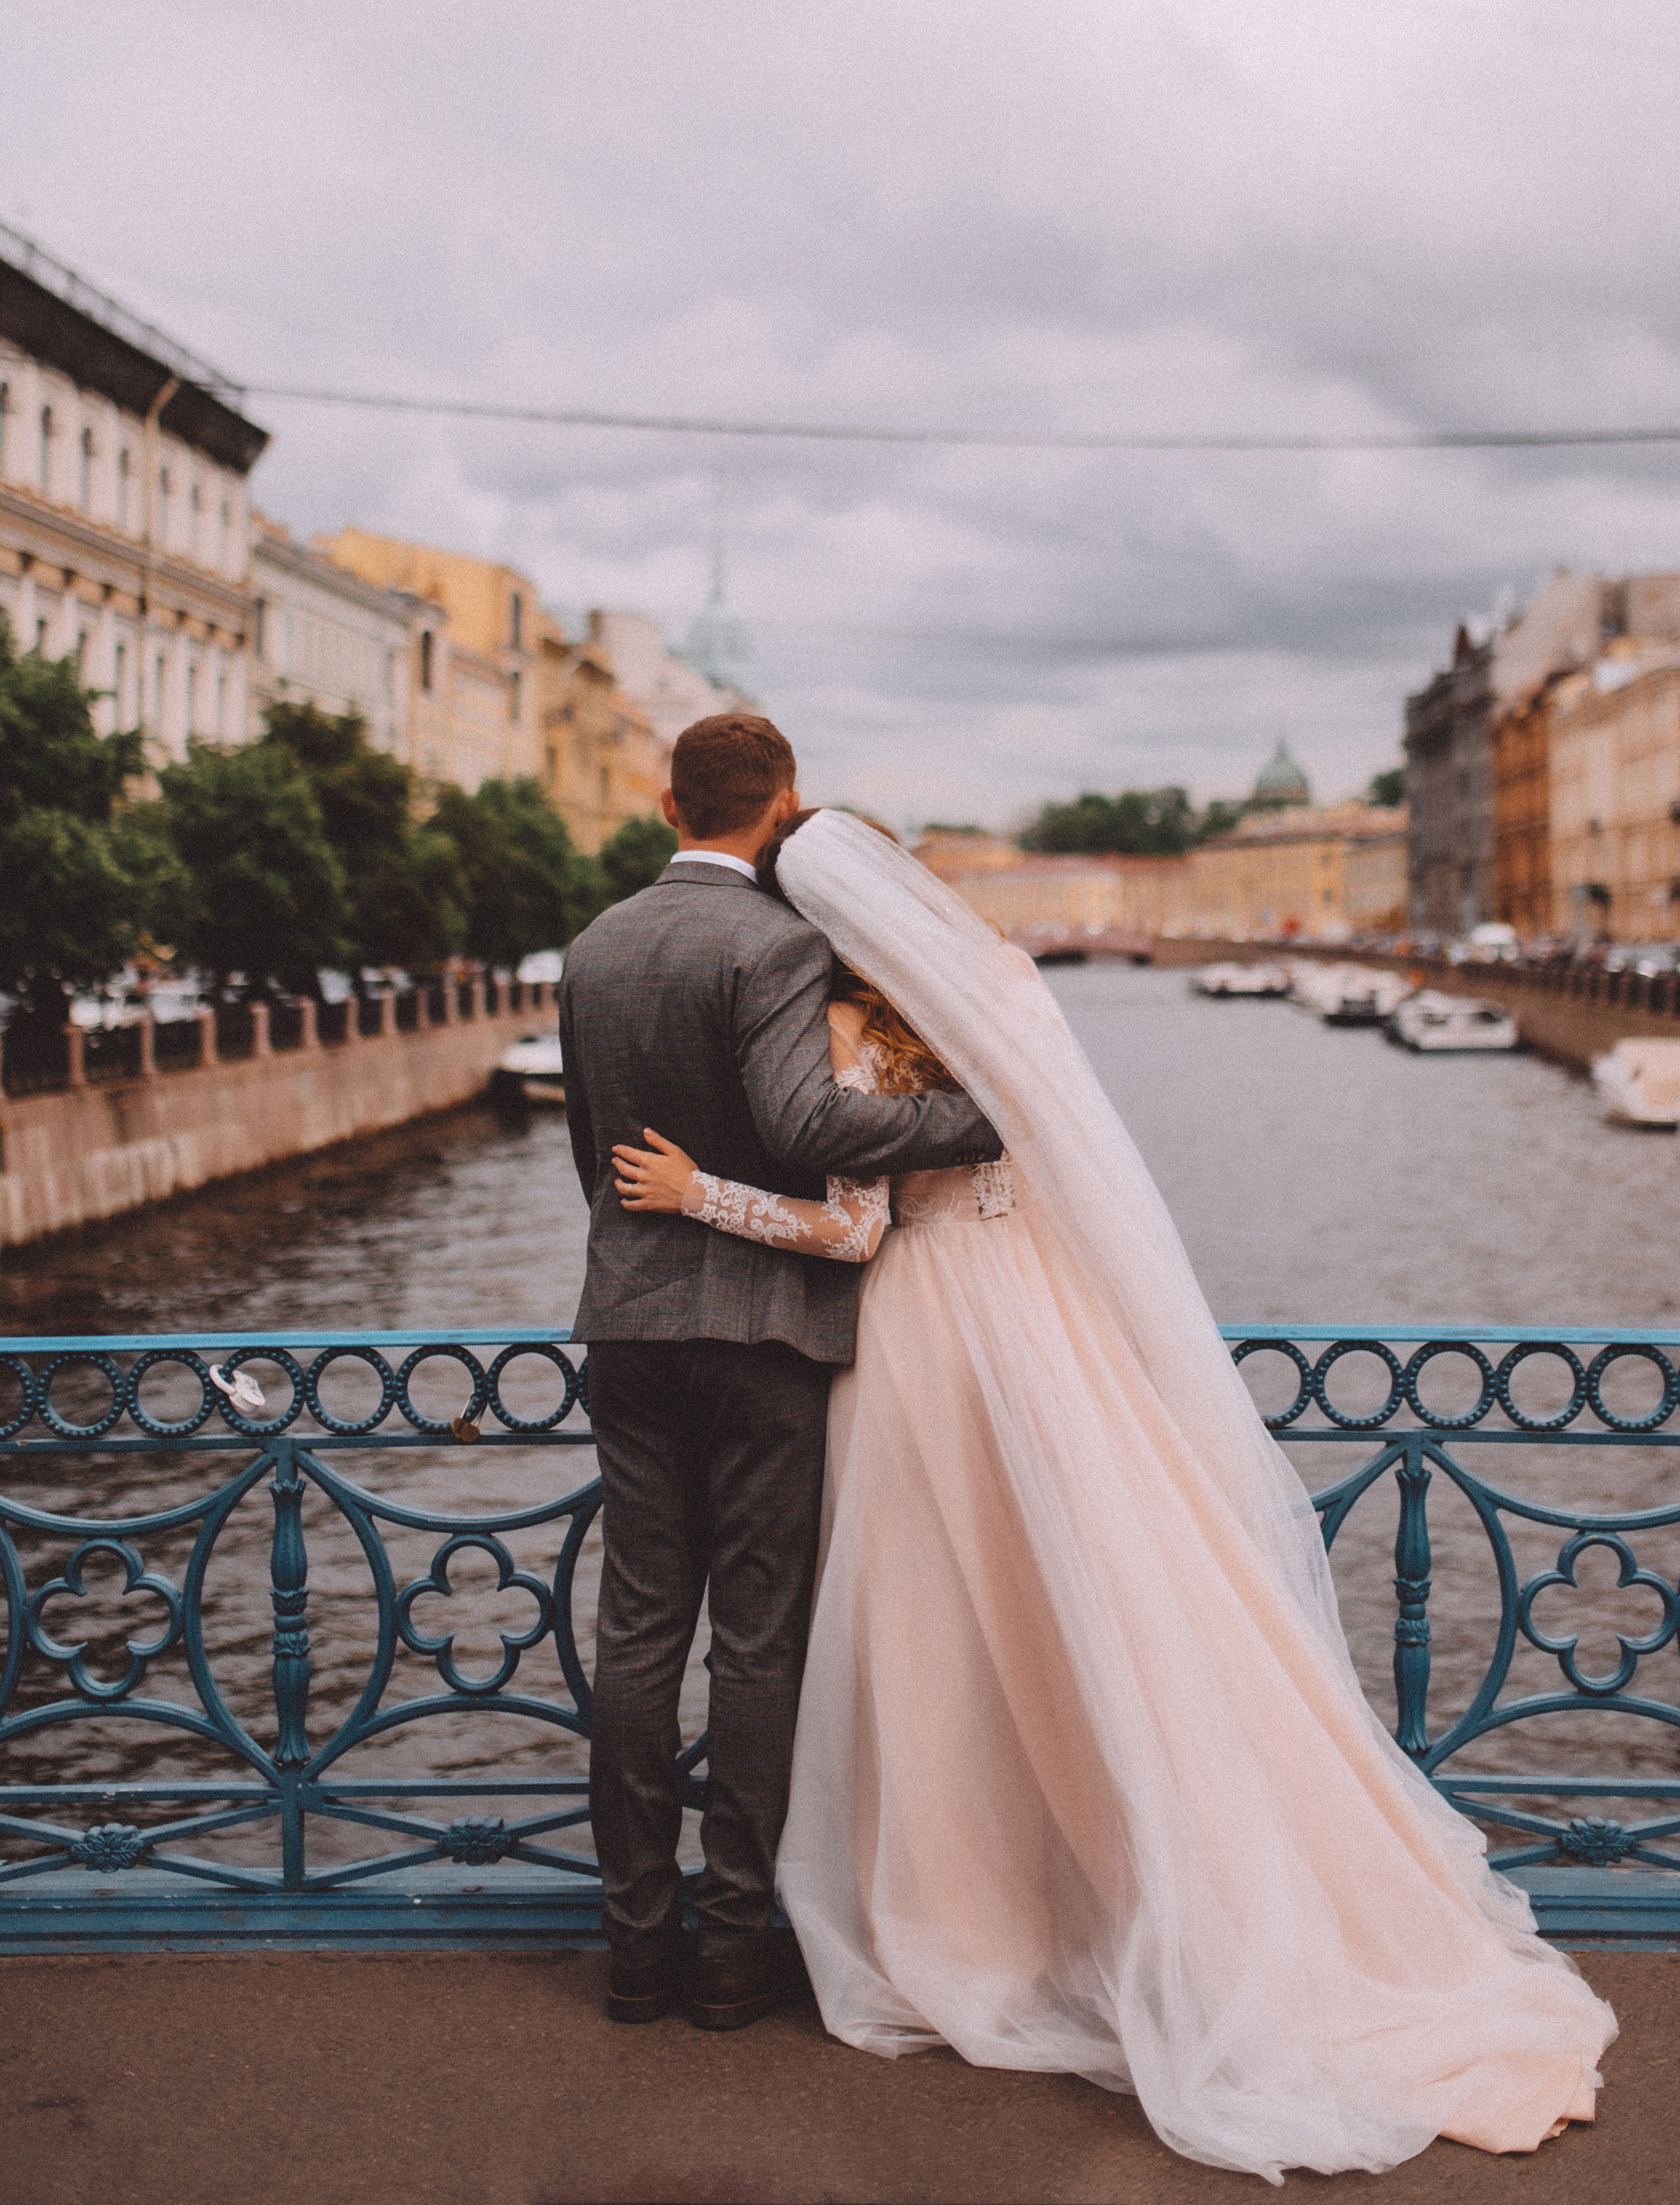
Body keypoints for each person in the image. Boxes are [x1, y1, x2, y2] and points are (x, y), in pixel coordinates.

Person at [610, 807, 1617, 2181]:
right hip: (1048, 1331)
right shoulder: (1008, 988)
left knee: (937, 1642)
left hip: (921, 1344)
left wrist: (696, 1193)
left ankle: (972, 1920)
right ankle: (1143, 1901)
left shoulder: (839, 1029)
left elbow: (850, 1227)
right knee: (1106, 1612)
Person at [558, 719, 1004, 2033]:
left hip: (629, 1323)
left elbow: (592, 1152)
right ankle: (731, 1949)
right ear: (783, 805)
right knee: (756, 1641)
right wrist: (984, 1113)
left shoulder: (593, 946)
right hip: (763, 1336)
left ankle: (635, 1946)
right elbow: (808, 1122)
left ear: (666, 804)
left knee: (638, 1631)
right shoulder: (776, 944)